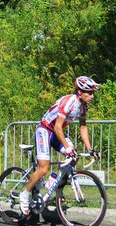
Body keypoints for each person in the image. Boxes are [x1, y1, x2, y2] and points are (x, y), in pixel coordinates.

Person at [19, 76, 101, 215]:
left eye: (93, 93)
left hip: (57, 133)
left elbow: (83, 128)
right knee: (43, 168)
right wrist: (67, 147)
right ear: (80, 92)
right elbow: (57, 127)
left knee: (74, 158)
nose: (92, 96)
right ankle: (25, 195)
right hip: (45, 130)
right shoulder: (69, 101)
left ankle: (54, 182)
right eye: (90, 93)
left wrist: (90, 149)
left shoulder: (83, 107)